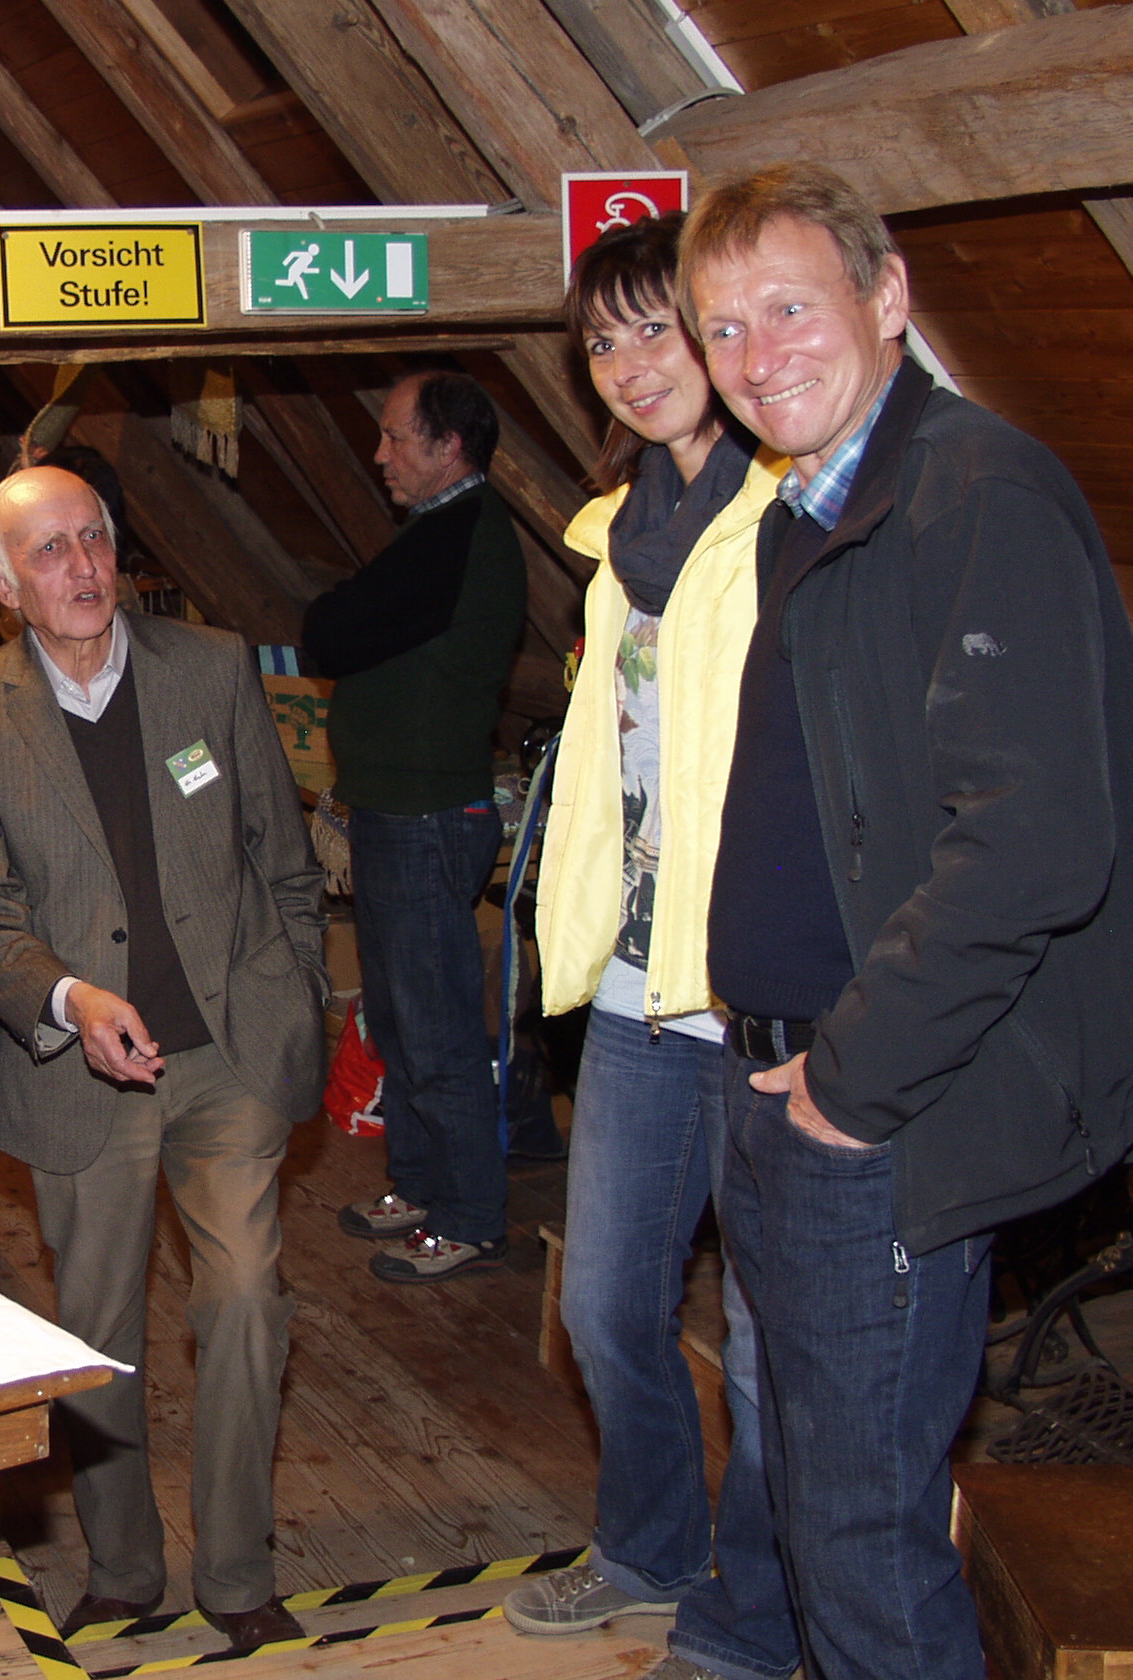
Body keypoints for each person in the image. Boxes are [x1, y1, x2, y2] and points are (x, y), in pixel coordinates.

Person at [685, 163, 1133, 1679]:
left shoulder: (974, 495)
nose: (756, 358)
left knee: (866, 1549)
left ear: (886, 300)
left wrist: (851, 1085)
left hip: (876, 1109)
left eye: (788, 309)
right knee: (815, 1512)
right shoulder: (809, 511)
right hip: (782, 1081)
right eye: (723, 328)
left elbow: (1035, 841)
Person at [0, 466, 327, 1655]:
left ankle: (236, 1574)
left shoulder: (210, 668)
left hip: (227, 1050)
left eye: (93, 537)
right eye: (48, 550)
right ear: (1, 583)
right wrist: (68, 997)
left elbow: (281, 853)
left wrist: (296, 991)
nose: (83, 567)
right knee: (96, 1327)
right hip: (80, 1069)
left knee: (244, 1296)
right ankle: (124, 1567)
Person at [514, 215, 797, 1680]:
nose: (629, 365)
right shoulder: (613, 540)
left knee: (765, 1340)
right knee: (604, 1302)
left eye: (655, 329)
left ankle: (753, 1615)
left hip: (760, 994)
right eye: (601, 343)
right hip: (633, 987)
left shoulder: (791, 514)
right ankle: (649, 1546)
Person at [302, 370, 527, 1282]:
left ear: (450, 445)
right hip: (401, 810)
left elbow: (330, 632)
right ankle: (421, 1184)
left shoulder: (459, 534)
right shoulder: (438, 532)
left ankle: (471, 1216)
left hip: (427, 814)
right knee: (399, 1020)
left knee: (436, 1032)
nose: (380, 453)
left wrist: (334, 615)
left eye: (397, 437)